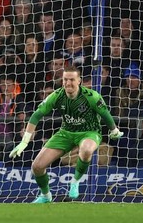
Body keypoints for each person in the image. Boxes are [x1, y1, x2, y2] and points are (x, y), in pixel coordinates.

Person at [9, 66, 124, 203]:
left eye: (72, 79)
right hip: (66, 133)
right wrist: (24, 142)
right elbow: (36, 116)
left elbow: (105, 114)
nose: (68, 83)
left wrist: (114, 130)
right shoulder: (57, 95)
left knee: (87, 149)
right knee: (37, 167)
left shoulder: (91, 96)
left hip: (89, 132)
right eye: (65, 79)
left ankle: (75, 182)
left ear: (79, 81)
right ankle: (46, 195)